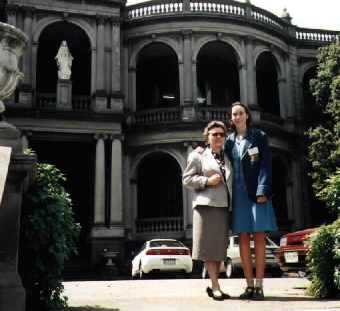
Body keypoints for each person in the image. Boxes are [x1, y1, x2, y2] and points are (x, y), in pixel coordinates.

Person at [224, 102, 277, 300]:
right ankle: (249, 285)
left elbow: (265, 165)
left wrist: (263, 189)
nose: (236, 117)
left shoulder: (259, 137)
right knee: (243, 239)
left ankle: (260, 286)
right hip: (238, 196)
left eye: (240, 113)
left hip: (257, 193)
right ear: (231, 119)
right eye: (233, 115)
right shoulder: (229, 141)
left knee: (260, 237)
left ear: (247, 115)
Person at [183, 121, 232, 301]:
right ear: (207, 137)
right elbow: (186, 180)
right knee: (209, 249)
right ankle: (215, 286)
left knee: (219, 249)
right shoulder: (198, 156)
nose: (218, 137)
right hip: (206, 206)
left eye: (221, 134)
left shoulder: (227, 156)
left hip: (224, 206)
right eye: (214, 134)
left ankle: (214, 284)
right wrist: (206, 181)